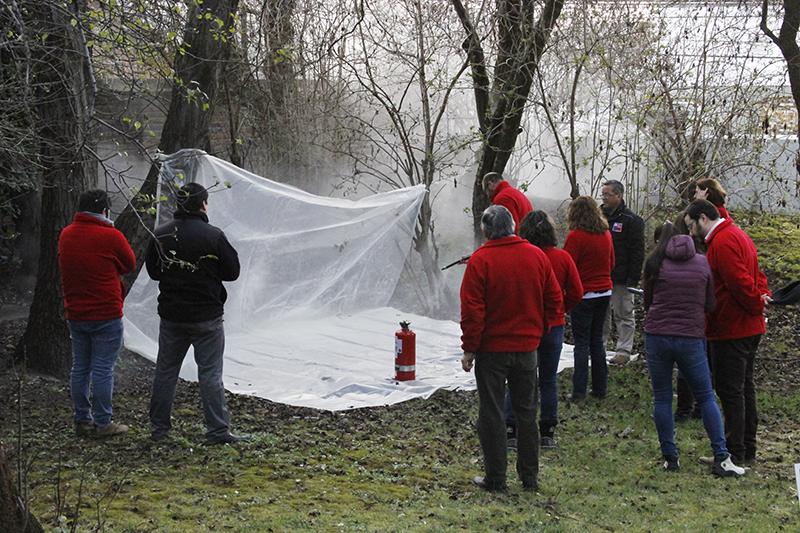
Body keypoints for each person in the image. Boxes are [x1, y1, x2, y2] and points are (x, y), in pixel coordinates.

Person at [460, 205, 562, 492]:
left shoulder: (481, 260)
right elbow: (555, 299)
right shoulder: (536, 256)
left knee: (491, 413)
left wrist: (470, 348)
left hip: (492, 350)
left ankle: (496, 478)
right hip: (527, 348)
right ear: (514, 225)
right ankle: (529, 478)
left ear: (485, 229)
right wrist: (540, 329)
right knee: (527, 412)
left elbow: (472, 310)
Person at [642, 221, 745, 477]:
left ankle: (670, 457)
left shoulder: (655, 263)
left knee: (663, 397)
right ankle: (721, 456)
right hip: (690, 337)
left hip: (657, 336)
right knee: (706, 396)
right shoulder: (702, 263)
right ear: (688, 237)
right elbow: (710, 303)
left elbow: (648, 302)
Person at [146, 182, 246, 444]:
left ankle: (159, 429)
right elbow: (232, 272)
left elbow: (155, 272)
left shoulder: (162, 234)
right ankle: (217, 430)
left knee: (166, 372)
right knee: (210, 374)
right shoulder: (213, 235)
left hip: (172, 316)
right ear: (203, 204)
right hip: (207, 318)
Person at [684, 200, 771, 466]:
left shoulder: (722, 243)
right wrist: (761, 298)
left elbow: (741, 283)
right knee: (744, 388)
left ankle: (735, 452)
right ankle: (746, 447)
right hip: (745, 325)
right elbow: (757, 275)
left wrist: (756, 303)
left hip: (733, 328)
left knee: (731, 390)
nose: (690, 234)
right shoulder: (737, 234)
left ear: (702, 219)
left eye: (690, 227)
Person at [58, 189, 136, 437]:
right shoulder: (111, 236)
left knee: (80, 367)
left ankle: (82, 419)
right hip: (106, 312)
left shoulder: (66, 234)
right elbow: (129, 264)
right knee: (103, 369)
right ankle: (104, 422)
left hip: (76, 313)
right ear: (105, 210)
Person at [504, 211, 583, 450]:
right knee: (548, 379)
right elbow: (577, 292)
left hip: (525, 325)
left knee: (517, 379)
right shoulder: (562, 258)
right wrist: (561, 310)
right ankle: (547, 432)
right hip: (553, 326)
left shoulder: (519, 257)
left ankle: (511, 429)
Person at [564, 196, 615, 400]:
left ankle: (578, 391)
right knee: (597, 342)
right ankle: (600, 388)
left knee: (582, 343)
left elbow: (568, 267)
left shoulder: (576, 237)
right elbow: (611, 262)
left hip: (584, 294)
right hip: (604, 292)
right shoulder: (605, 234)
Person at [600, 179, 644, 366]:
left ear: (619, 195)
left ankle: (624, 350)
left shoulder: (631, 220)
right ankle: (598, 346)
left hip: (622, 277)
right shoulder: (598, 217)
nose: (604, 198)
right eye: (603, 194)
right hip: (600, 276)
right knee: (601, 315)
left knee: (624, 313)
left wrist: (633, 278)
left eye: (608, 194)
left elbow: (637, 252)